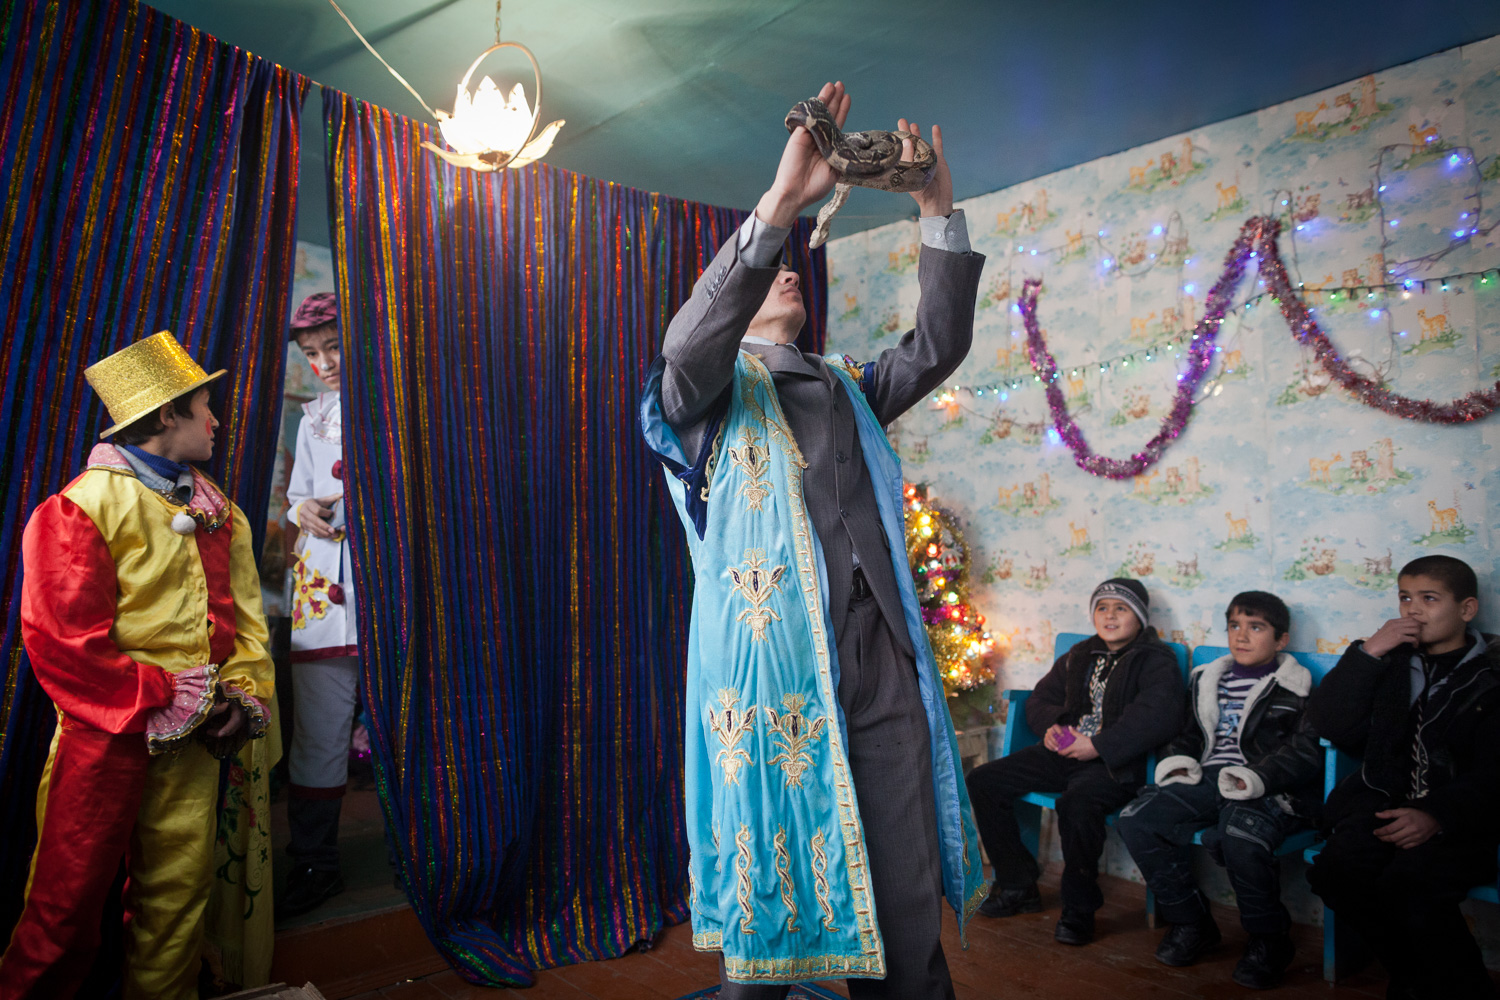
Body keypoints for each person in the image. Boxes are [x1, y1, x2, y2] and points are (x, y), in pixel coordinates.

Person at [639, 80, 986, 999]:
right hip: (773, 672)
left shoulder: (846, 387)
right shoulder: (699, 402)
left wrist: (936, 209)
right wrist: (780, 205)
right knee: (771, 890)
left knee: (906, 886)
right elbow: (686, 349)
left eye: (794, 267)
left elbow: (939, 346)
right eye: (769, 276)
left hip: (878, 655)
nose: (791, 272)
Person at [0, 331, 272, 999]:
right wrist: (161, 694)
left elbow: (245, 625)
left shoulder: (220, 513)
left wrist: (239, 696)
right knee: (66, 901)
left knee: (178, 901)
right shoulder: (79, 507)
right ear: (164, 416)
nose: (216, 420)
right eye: (203, 406)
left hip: (196, 747)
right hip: (102, 741)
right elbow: (64, 644)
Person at [1306, 555, 1500, 999]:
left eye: (1429, 599)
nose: (1412, 610)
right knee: (1336, 870)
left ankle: (1465, 988)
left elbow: (1493, 773)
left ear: (1466, 609)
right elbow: (1331, 725)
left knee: (1410, 884)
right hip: (1382, 805)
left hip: (1461, 818)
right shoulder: (1389, 664)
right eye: (1405, 598)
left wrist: (1435, 814)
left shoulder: (1491, 675)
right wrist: (1367, 654)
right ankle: (1411, 973)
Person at [1115, 591, 1320, 989]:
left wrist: (1257, 777)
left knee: (1240, 836)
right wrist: (1177, 765)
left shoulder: (1296, 688)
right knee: (1136, 819)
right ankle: (1192, 922)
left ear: (1281, 640)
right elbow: (1183, 734)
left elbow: (1304, 751)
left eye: (1256, 627)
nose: (1241, 636)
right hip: (1207, 777)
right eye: (1234, 626)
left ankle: (1269, 940)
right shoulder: (1207, 678)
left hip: (1261, 784)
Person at [965, 578, 1182, 946]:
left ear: (1140, 617)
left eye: (1121, 608)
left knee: (1078, 805)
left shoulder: (1154, 660)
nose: (1109, 615)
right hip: (1065, 751)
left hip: (1112, 762)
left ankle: (1078, 909)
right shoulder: (1079, 655)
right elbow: (1039, 699)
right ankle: (1019, 884)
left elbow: (1156, 715)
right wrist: (1052, 727)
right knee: (983, 781)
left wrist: (1098, 745)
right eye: (1102, 607)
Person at [278, 292, 362, 919]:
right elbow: (301, 494)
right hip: (320, 598)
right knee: (318, 729)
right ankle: (315, 862)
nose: (325, 363)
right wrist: (296, 508)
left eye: (333, 347)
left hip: (378, 588)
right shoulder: (311, 419)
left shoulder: (392, 407)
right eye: (312, 354)